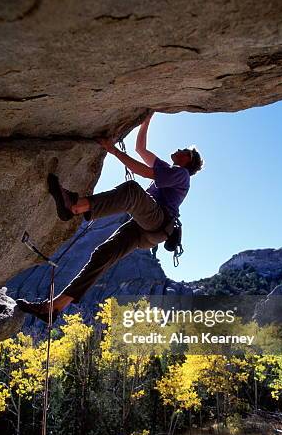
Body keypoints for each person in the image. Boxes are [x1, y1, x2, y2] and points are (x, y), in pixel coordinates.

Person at [17, 111, 203, 322]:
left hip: (158, 223)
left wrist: (113, 150)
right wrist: (146, 122)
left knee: (132, 191)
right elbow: (140, 149)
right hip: (146, 230)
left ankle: (75, 206)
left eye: (184, 150)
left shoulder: (181, 174)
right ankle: (55, 307)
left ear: (188, 159)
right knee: (103, 253)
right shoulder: (169, 170)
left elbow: (146, 173)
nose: (178, 150)